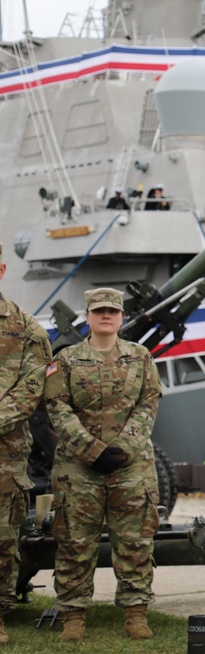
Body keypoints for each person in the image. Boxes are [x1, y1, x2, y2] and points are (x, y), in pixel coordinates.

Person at [43, 287, 162, 643]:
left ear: (121, 317)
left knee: (136, 541)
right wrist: (91, 449)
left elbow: (149, 403)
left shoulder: (140, 357)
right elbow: (57, 407)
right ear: (89, 317)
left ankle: (136, 613)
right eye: (99, 311)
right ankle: (74, 616)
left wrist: (124, 446)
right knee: (74, 542)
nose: (105, 316)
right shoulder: (65, 360)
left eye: (112, 311)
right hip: (78, 467)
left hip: (132, 465)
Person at [0, 242, 52, 646]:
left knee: (2, 538)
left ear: (2, 270)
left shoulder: (27, 329)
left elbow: (31, 389)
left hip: (5, 455)